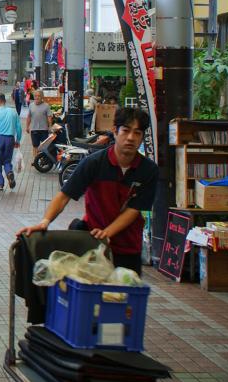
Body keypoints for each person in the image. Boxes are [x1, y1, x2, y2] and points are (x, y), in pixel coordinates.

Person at [16, 107, 157, 274]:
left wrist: (107, 233)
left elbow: (133, 210)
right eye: (125, 131)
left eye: (137, 133)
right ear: (115, 130)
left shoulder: (148, 170)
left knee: (124, 295)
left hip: (128, 248)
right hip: (91, 245)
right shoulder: (94, 163)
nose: (131, 138)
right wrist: (45, 222)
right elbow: (64, 196)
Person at [0, 93, 22, 191]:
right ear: (4, 100)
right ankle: (9, 172)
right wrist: (18, 140)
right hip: (10, 139)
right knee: (7, 160)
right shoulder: (13, 112)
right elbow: (19, 128)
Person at [25, 89, 53, 161]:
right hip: (34, 129)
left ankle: (43, 159)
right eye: (35, 96)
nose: (37, 97)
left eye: (39, 96)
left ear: (42, 97)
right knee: (35, 146)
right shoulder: (31, 105)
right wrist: (27, 127)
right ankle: (35, 160)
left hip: (44, 129)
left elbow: (49, 117)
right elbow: (29, 117)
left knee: (44, 146)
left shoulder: (46, 106)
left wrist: (50, 127)